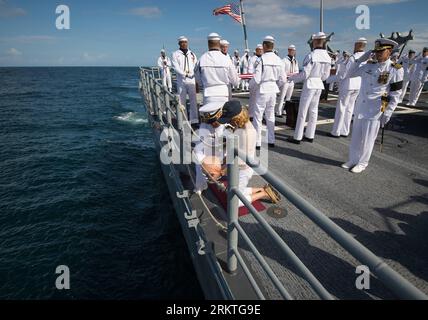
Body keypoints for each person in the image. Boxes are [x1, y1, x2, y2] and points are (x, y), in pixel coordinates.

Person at [199, 100, 281, 204]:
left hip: (243, 170)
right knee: (233, 190)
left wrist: (222, 170)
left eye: (230, 120)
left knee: (235, 202)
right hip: (238, 168)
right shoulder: (241, 126)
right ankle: (262, 189)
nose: (228, 122)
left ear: (237, 118)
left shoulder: (248, 134)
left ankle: (264, 193)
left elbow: (241, 161)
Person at [342, 38, 404, 173]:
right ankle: (353, 159)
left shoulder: (395, 69)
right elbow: (350, 73)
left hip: (376, 109)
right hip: (361, 106)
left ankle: (363, 163)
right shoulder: (369, 65)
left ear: (389, 51)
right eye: (376, 51)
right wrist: (362, 58)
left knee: (368, 139)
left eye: (381, 51)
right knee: (356, 137)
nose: (378, 54)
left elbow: (396, 94)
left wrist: (388, 112)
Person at [287, 32, 331, 144]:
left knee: (303, 111)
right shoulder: (327, 56)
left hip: (310, 83)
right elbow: (326, 76)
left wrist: (293, 79)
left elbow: (305, 74)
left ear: (315, 41)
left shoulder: (311, 55)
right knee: (313, 110)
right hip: (319, 84)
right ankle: (310, 135)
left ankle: (297, 137)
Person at [328, 37, 367, 138]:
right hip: (358, 85)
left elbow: (344, 74)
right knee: (350, 108)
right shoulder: (367, 58)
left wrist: (328, 79)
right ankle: (345, 131)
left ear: (358, 45)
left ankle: (336, 131)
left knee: (341, 108)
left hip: (348, 84)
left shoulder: (353, 58)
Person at [252, 36, 287, 149]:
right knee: (270, 115)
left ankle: (257, 142)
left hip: (263, 89)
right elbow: (283, 79)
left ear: (265, 46)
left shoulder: (260, 59)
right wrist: (275, 85)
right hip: (273, 89)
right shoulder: (279, 60)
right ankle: (271, 140)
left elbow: (256, 79)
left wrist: (250, 87)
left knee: (258, 116)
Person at [194, 33, 239, 105]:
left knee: (210, 115)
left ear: (208, 44)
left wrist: (205, 84)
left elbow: (197, 79)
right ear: (219, 44)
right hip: (223, 94)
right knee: (224, 115)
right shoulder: (226, 59)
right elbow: (235, 81)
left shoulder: (201, 59)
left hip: (208, 95)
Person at [172, 36, 199, 124]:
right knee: (182, 101)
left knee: (193, 100)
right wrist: (185, 74)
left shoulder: (192, 54)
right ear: (179, 44)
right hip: (181, 80)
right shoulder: (175, 54)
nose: (184, 44)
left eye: (185, 42)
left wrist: (195, 76)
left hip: (191, 79)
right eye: (182, 42)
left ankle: (194, 120)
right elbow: (176, 67)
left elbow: (196, 66)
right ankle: (184, 120)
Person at [276, 44, 299, 117]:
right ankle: (278, 111)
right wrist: (285, 78)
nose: (293, 52)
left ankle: (285, 110)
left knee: (288, 97)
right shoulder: (284, 60)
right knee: (282, 97)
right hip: (285, 81)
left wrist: (294, 75)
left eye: (294, 50)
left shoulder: (295, 60)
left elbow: (297, 70)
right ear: (288, 50)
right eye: (291, 50)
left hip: (291, 81)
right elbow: (282, 71)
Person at [248, 44, 263, 119]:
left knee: (260, 99)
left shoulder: (264, 58)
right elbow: (250, 70)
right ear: (256, 50)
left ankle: (258, 114)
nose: (260, 51)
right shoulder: (252, 59)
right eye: (259, 50)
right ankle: (251, 114)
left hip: (262, 82)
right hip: (254, 81)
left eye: (261, 50)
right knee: (252, 99)